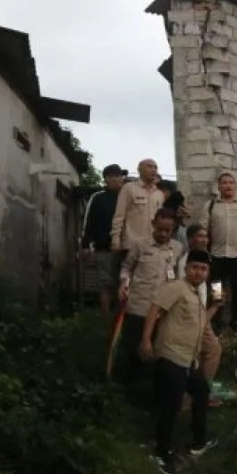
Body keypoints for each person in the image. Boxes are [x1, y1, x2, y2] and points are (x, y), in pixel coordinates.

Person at [142, 249, 221, 474]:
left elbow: (199, 325)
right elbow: (155, 308)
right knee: (172, 405)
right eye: (195, 267)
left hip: (187, 359)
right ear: (186, 269)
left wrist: (214, 307)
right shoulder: (177, 287)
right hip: (171, 356)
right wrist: (146, 340)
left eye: (203, 269)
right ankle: (161, 453)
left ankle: (198, 442)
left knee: (202, 391)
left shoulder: (195, 296)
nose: (199, 272)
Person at [118, 208, 186, 402]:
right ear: (153, 224)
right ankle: (129, 394)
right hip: (138, 307)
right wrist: (123, 284)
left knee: (156, 353)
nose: (164, 234)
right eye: (160, 229)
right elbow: (126, 268)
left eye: (168, 230)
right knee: (135, 350)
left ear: (173, 229)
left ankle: (151, 395)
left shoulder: (178, 248)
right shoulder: (139, 245)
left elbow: (180, 275)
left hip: (162, 312)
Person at [199, 172, 237, 337]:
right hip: (216, 254)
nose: (228, 186)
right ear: (219, 186)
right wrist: (202, 248)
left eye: (231, 183)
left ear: (235, 186)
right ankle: (216, 322)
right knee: (217, 289)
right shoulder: (211, 205)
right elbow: (203, 228)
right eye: (224, 183)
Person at [177, 223, 222, 388]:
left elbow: (215, 280)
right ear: (190, 240)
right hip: (190, 314)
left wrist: (217, 297)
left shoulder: (209, 259)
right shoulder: (185, 262)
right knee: (207, 351)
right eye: (200, 236)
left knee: (211, 350)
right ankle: (199, 390)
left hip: (203, 314)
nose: (204, 240)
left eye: (206, 236)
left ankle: (202, 388)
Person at [78, 164, 127, 314]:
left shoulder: (127, 197)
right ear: (107, 178)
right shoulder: (98, 198)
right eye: (117, 176)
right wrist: (85, 245)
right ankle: (105, 317)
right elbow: (89, 221)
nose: (120, 179)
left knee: (124, 282)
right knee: (106, 283)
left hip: (126, 248)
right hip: (104, 247)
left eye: (121, 176)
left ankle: (121, 317)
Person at [111, 158, 165, 252]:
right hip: (132, 244)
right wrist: (115, 239)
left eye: (155, 167)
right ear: (140, 170)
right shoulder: (129, 188)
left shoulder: (159, 194)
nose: (153, 170)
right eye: (149, 166)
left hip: (153, 245)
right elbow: (119, 216)